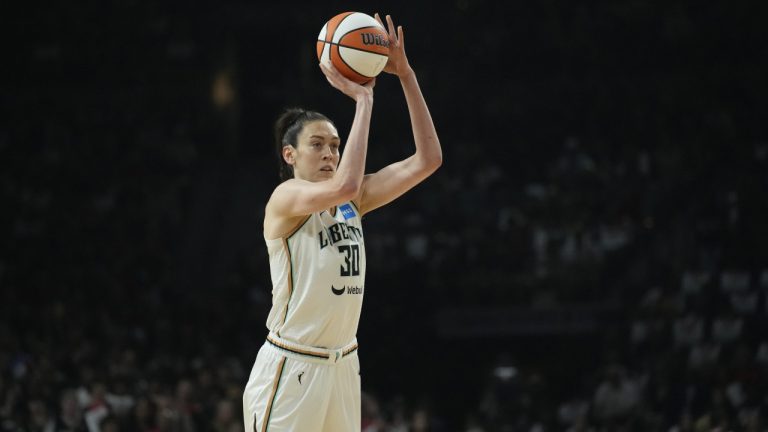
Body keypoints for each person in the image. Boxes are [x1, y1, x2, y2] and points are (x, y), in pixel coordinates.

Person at [242, 13, 442, 432]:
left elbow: (428, 160)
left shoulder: (354, 201)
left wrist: (405, 75)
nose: (330, 153)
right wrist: (365, 101)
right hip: (292, 364)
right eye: (317, 145)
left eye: (335, 145)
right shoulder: (287, 199)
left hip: (343, 364)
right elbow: (348, 182)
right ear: (289, 155)